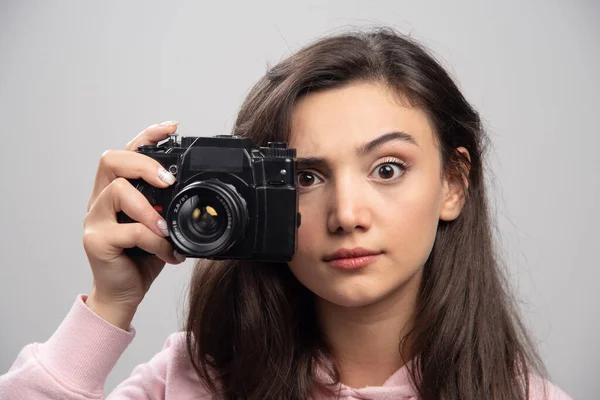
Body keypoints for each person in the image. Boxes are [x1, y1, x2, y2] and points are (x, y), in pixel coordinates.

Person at [0, 28, 572, 400]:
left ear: (452, 184)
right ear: (255, 197)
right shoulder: (192, 379)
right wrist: (109, 305)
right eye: (305, 177)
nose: (347, 214)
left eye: (388, 169)